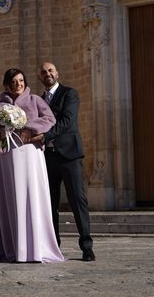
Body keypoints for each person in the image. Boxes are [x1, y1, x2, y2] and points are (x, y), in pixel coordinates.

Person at [0, 68, 64, 263]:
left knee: (33, 197)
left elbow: (50, 119)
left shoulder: (36, 100)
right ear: (6, 84)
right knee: (12, 198)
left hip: (30, 156)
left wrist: (30, 128)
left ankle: (36, 248)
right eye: (13, 81)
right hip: (8, 158)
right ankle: (14, 248)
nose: (18, 84)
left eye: (21, 80)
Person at [38, 61, 95, 261]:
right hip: (47, 158)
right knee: (50, 204)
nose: (47, 74)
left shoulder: (69, 94)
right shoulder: (38, 100)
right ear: (40, 76)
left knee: (77, 200)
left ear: (57, 73)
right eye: (44, 72)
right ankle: (55, 247)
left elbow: (67, 121)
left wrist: (45, 135)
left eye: (50, 70)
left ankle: (87, 246)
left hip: (69, 156)